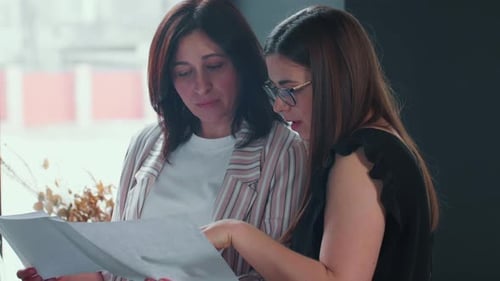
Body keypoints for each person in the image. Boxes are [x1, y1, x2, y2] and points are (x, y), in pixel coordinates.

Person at [16, 0, 306, 281]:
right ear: (168, 79)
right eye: (183, 73)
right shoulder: (147, 143)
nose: (201, 86)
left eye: (215, 66)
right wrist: (72, 274)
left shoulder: (283, 152)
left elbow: (279, 272)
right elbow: (117, 267)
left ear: (241, 64)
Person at [202, 5, 440, 281]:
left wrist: (236, 232)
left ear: (332, 81)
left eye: (289, 90)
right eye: (275, 90)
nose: (279, 105)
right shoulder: (381, 146)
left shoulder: (359, 157)